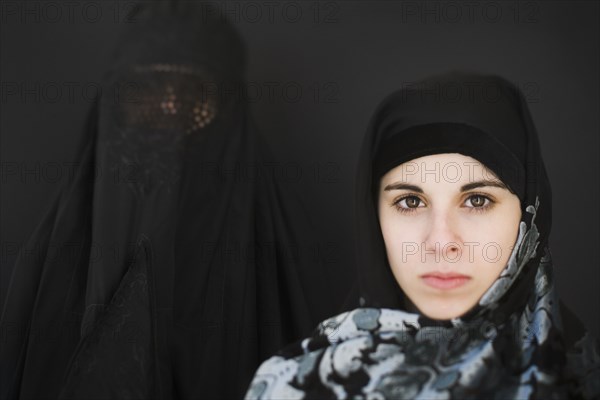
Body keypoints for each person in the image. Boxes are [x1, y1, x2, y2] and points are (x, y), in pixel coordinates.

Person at [1, 2, 336, 399]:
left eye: (195, 97)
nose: (171, 111)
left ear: (233, 117)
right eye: (146, 95)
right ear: (111, 105)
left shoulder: (287, 288)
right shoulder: (43, 279)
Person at [244, 72, 600, 399]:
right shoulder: (289, 387)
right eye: (410, 201)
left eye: (477, 200)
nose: (441, 242)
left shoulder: (582, 379)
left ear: (528, 214)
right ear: (372, 216)